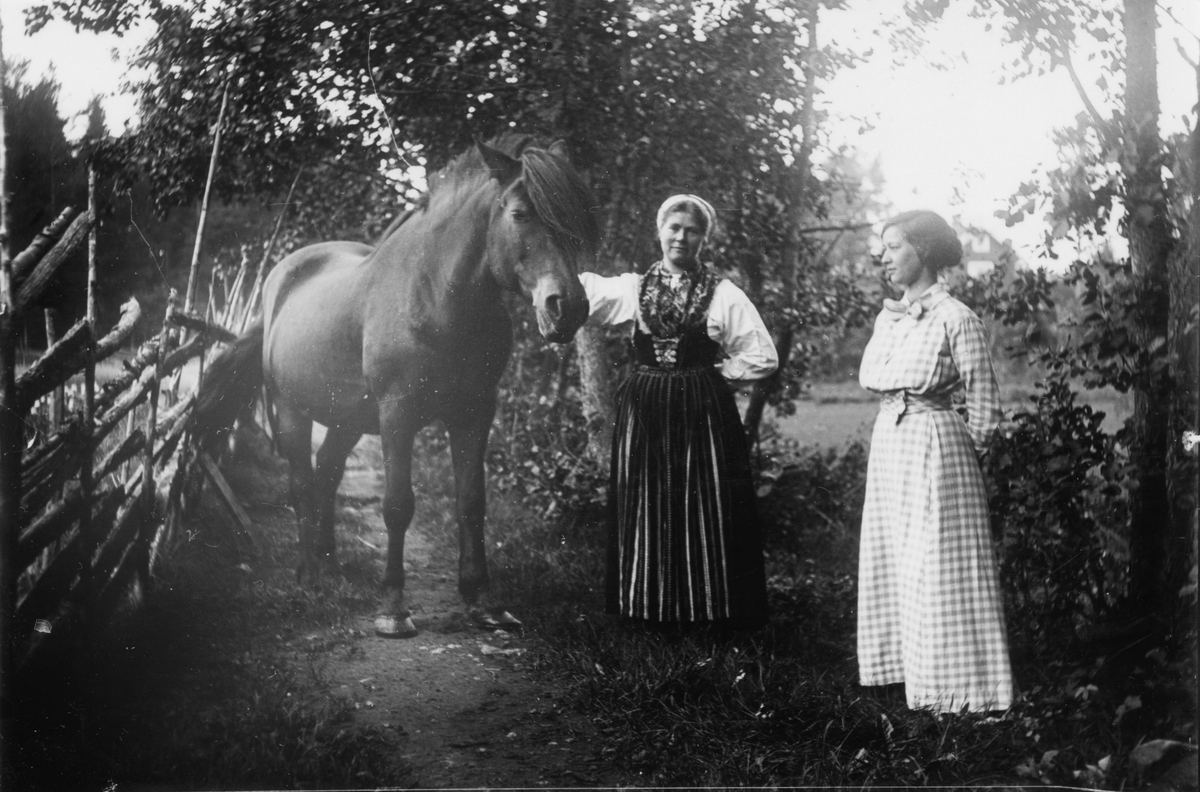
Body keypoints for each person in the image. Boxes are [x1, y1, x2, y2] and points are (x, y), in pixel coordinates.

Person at [579, 194, 778, 630]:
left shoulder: (723, 293)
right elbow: (580, 295)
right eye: (674, 228)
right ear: (660, 231)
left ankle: (706, 610)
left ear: (704, 239)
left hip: (701, 406)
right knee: (645, 497)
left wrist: (716, 374)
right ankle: (647, 608)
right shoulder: (633, 288)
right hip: (645, 405)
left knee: (702, 497)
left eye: (691, 231)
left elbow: (763, 355)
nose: (681, 238)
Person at [856, 209, 1014, 712]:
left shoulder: (957, 318)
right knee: (894, 555)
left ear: (922, 250)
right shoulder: (888, 318)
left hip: (935, 449)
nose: (884, 257)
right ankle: (900, 674)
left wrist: (959, 462)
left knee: (938, 562)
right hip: (890, 445)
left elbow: (985, 409)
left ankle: (957, 693)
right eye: (883, 248)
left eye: (894, 246)